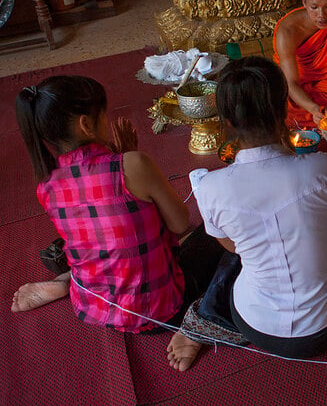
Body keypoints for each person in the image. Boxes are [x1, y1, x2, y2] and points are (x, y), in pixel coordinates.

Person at [167, 57, 327, 371]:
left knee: (225, 245)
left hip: (255, 326)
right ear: (284, 110)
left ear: (227, 121)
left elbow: (232, 248)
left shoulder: (211, 187)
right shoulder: (324, 167)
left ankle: (204, 320)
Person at [10, 76, 220, 332]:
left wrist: (121, 159)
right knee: (219, 229)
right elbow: (179, 223)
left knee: (98, 246)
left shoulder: (46, 186)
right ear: (86, 124)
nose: (107, 123)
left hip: (94, 307)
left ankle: (67, 282)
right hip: (159, 312)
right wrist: (127, 159)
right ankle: (201, 325)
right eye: (103, 117)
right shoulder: (133, 164)